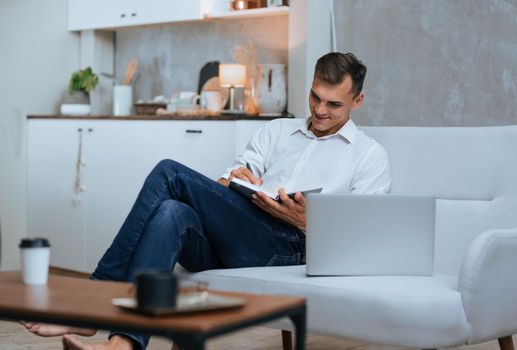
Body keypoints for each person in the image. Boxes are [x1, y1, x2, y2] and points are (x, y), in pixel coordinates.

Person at [23, 52, 391, 350]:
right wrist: (232, 179)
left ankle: (89, 306)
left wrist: (305, 221)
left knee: (169, 172)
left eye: (333, 104)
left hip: (289, 247)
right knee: (171, 212)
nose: (320, 110)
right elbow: (226, 178)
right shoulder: (278, 130)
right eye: (314, 97)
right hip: (239, 229)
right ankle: (122, 344)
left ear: (357, 101)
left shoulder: (369, 156)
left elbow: (364, 240)